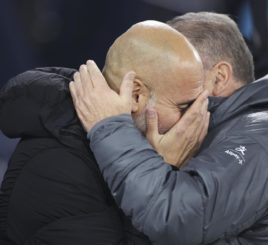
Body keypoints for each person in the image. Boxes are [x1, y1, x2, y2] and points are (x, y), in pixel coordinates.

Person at [70, 13, 268, 244]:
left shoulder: (263, 138)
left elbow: (172, 218)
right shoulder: (236, 134)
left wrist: (110, 128)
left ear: (220, 77)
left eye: (184, 66)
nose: (165, 77)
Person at [0, 21, 209, 244]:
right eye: (184, 107)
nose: (195, 119)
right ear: (137, 96)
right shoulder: (61, 168)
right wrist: (157, 181)